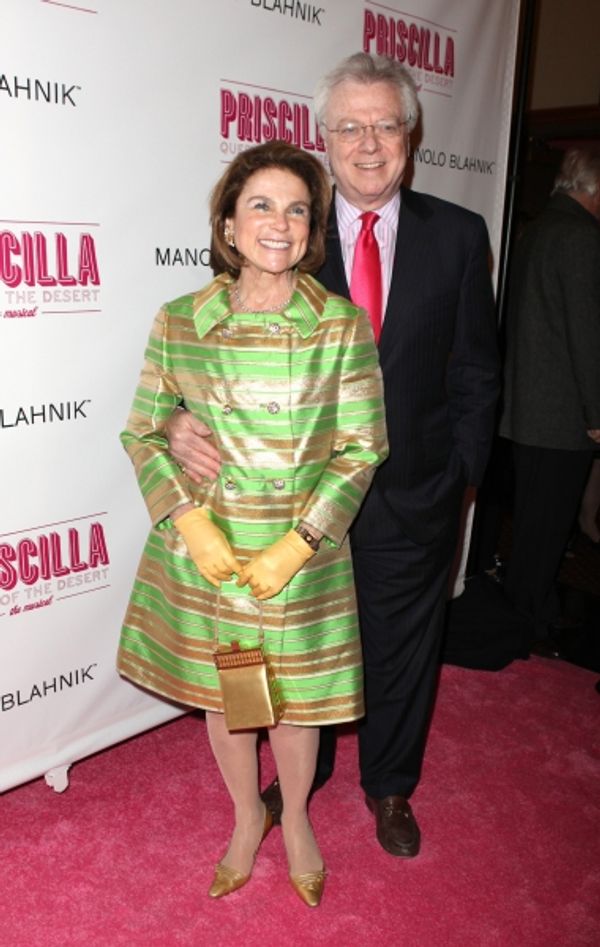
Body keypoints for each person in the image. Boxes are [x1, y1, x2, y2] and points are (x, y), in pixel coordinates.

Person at [166, 53, 499, 859]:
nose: (370, 143)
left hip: (411, 490)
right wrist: (179, 421)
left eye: (387, 124)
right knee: (281, 651)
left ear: (411, 134)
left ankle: (388, 785)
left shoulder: (457, 235)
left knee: (403, 650)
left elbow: (476, 372)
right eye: (350, 126)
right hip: (288, 508)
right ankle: (292, 783)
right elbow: (211, 359)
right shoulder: (288, 234)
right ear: (324, 136)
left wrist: (458, 478)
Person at [117, 140, 388, 907]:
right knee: (232, 699)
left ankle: (295, 817)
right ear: (228, 227)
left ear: (313, 230)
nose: (280, 222)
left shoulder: (342, 326)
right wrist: (189, 522)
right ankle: (246, 817)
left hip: (299, 556)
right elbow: (141, 430)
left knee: (297, 704)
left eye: (297, 208)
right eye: (260, 205)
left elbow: (365, 445)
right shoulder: (179, 319)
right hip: (219, 560)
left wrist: (299, 543)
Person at [499, 148, 600, 653]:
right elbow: (587, 334)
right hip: (562, 415)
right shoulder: (582, 237)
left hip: (527, 405)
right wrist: (597, 413)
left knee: (532, 522)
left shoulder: (535, 229)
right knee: (547, 526)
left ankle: (525, 612)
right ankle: (530, 621)